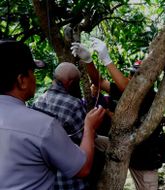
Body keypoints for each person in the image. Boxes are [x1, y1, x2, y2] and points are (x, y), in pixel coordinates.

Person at [71, 38, 165, 190]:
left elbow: (130, 91)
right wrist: (88, 60)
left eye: (137, 76)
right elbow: (99, 82)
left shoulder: (150, 95)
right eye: (131, 75)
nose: (132, 79)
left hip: (145, 159)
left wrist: (107, 59)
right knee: (92, 141)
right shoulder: (126, 91)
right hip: (123, 147)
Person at [0, 40, 105, 189]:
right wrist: (90, 128)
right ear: (21, 80)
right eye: (32, 73)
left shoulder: (38, 102)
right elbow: (83, 168)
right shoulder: (44, 124)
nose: (35, 78)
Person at [32, 62, 93, 189]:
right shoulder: (74, 104)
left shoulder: (38, 101)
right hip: (71, 181)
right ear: (70, 83)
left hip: (47, 180)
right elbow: (86, 140)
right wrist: (92, 126)